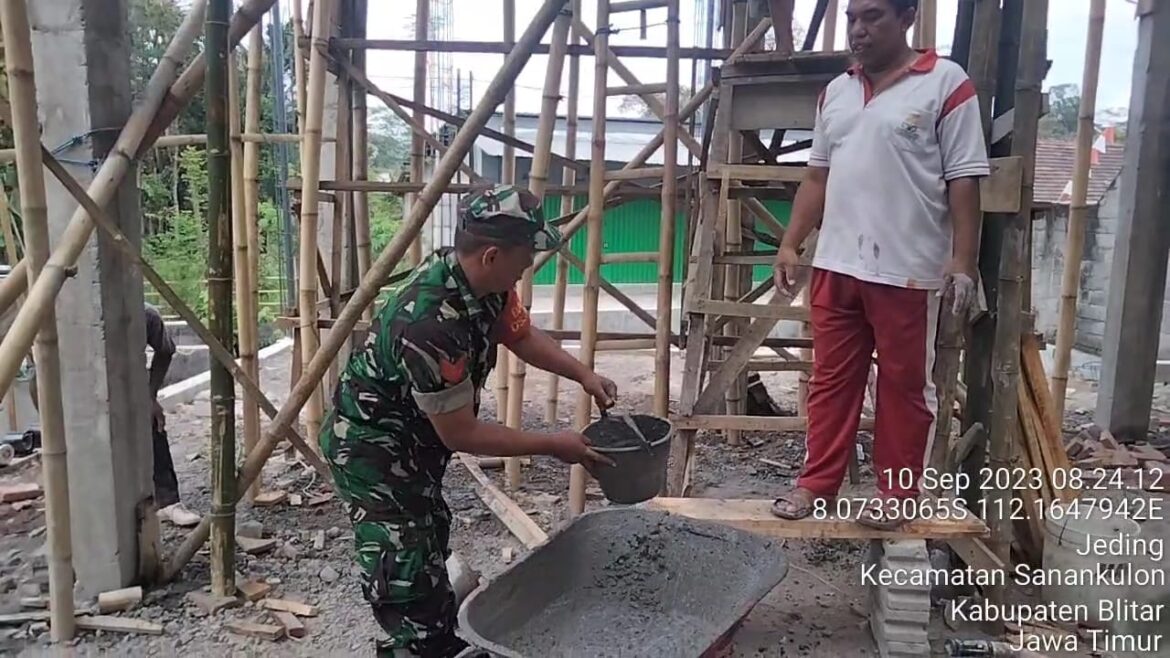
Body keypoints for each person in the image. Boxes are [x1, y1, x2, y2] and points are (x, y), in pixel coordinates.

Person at [320, 184, 618, 657]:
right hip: (373, 449)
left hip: (415, 442)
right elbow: (462, 433)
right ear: (493, 254)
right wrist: (553, 445)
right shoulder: (428, 322)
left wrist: (584, 374)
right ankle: (420, 644)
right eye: (526, 255)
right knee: (403, 561)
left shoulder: (484, 285)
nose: (529, 264)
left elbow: (519, 335)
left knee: (430, 531)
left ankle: (429, 633)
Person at [769, 0, 988, 529]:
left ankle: (897, 494)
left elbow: (964, 180)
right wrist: (790, 243)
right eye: (852, 18)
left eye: (873, 17)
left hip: (907, 270)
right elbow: (817, 177)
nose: (858, 30)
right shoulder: (836, 93)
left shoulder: (946, 84)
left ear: (907, 16)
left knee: (904, 387)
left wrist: (963, 262)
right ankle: (815, 485)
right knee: (831, 383)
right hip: (837, 265)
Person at [28, 304, 199, 526]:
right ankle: (77, 505)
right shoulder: (62, 317)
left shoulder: (144, 315)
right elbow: (37, 372)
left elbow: (166, 350)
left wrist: (150, 396)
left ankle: (168, 502)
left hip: (126, 382)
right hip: (78, 386)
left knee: (152, 424)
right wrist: (51, 419)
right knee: (76, 444)